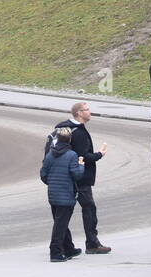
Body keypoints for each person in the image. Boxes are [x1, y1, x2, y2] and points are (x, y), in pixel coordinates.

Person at [53, 102, 110, 253]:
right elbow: (83, 156)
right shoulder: (78, 132)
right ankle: (92, 243)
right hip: (80, 177)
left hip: (65, 177)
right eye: (87, 110)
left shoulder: (67, 129)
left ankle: (66, 246)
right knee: (89, 209)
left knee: (64, 213)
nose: (90, 112)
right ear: (79, 113)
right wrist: (100, 154)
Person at [41, 127, 85, 262]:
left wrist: (53, 183)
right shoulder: (71, 155)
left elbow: (43, 175)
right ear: (70, 139)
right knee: (60, 224)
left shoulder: (50, 154)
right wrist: (81, 165)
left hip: (53, 194)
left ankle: (68, 247)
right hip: (66, 194)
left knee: (61, 222)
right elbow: (76, 174)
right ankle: (55, 252)